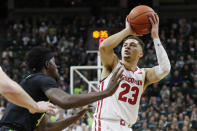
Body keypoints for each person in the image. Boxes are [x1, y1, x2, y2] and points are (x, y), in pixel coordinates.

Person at [0, 47, 123, 131]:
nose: (57, 66)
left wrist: (76, 117)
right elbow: (65, 101)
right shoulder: (42, 79)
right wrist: (106, 92)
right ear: (47, 65)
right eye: (54, 62)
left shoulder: (33, 85)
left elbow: (46, 128)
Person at [92, 14, 171, 131]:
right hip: (105, 124)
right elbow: (104, 47)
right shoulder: (113, 64)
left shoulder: (144, 75)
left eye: (132, 45)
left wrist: (155, 37)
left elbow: (165, 69)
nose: (127, 47)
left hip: (127, 127)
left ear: (141, 53)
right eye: (125, 45)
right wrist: (127, 31)